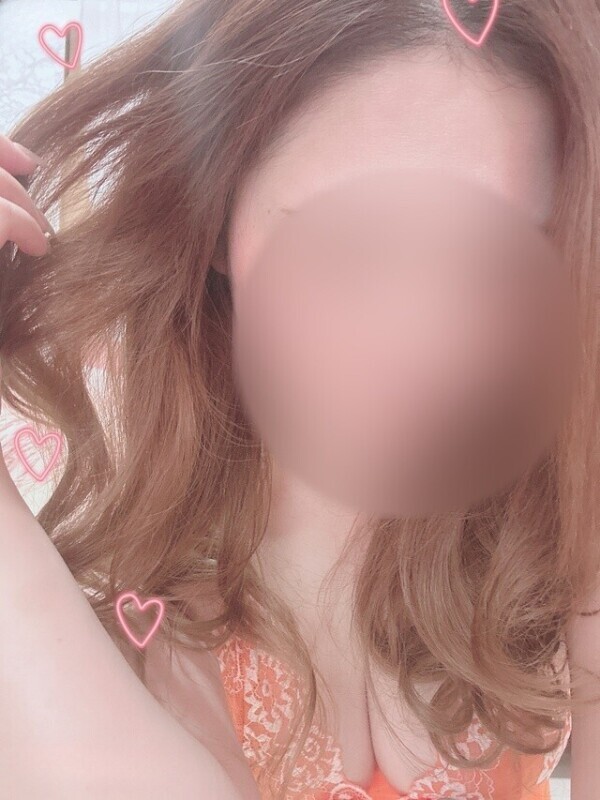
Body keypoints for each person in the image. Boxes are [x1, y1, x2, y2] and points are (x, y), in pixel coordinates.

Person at [0, 0, 599, 797]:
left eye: (499, 260)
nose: (428, 341)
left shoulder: (537, 560)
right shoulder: (129, 635)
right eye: (349, 244)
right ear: (216, 218)